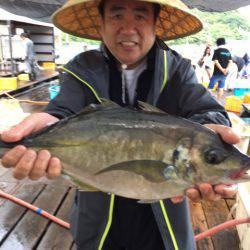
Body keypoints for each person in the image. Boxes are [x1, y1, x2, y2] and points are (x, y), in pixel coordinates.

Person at [1, 1, 239, 249]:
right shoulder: (82, 68)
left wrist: (208, 130)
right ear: (101, 25)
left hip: (165, 215)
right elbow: (64, 109)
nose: (128, 30)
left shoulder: (178, 69)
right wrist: (51, 122)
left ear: (155, 26)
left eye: (140, 16)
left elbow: (206, 110)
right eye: (116, 16)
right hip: (97, 213)